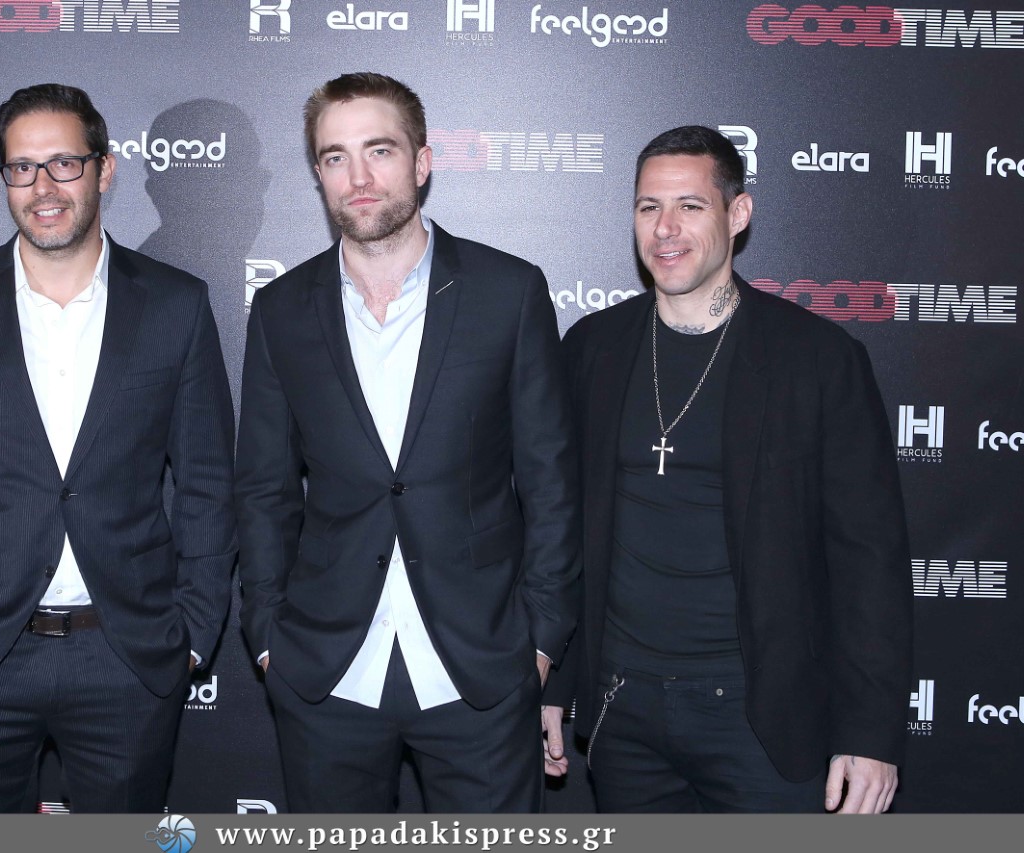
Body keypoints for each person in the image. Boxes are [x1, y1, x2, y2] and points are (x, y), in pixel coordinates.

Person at [0, 83, 236, 813]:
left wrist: (192, 634)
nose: (43, 187)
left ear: (106, 170)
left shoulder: (176, 305)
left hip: (126, 656)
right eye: (22, 167)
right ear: (4, 177)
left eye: (65, 163)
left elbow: (207, 484)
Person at [542, 125, 913, 814]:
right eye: (649, 207)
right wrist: (557, 684)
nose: (665, 228)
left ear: (737, 214)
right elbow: (563, 534)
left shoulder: (816, 359)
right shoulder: (594, 348)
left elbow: (870, 560)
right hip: (624, 709)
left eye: (690, 205)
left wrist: (870, 732)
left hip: (761, 717)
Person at [235, 72, 579, 813]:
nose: (358, 177)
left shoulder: (508, 292)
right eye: (335, 157)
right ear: (318, 174)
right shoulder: (281, 309)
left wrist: (540, 641)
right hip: (325, 671)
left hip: (481, 668)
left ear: (422, 162)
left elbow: (550, 481)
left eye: (379, 150)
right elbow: (263, 489)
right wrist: (267, 635)